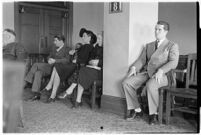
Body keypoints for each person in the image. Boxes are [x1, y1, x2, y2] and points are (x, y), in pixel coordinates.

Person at [122, 21, 179, 125]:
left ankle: (154, 114)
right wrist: (134, 67)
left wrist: (161, 70)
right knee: (126, 82)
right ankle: (137, 110)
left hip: (163, 75)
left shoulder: (172, 45)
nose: (156, 32)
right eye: (155, 29)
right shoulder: (149, 45)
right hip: (147, 73)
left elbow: (173, 62)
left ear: (166, 32)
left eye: (159, 30)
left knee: (151, 85)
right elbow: (141, 60)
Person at [41, 28, 97, 103]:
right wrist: (74, 52)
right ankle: (52, 93)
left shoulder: (89, 47)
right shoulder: (84, 46)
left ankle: (51, 90)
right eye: (82, 36)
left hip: (78, 67)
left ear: (89, 38)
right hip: (74, 65)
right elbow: (77, 53)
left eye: (84, 36)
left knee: (57, 67)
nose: (82, 37)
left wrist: (75, 57)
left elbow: (85, 59)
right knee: (57, 67)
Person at [58, 33, 103, 108]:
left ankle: (70, 91)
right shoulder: (96, 47)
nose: (97, 41)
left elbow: (108, 62)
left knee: (82, 71)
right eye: (97, 38)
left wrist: (98, 62)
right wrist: (91, 61)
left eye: (99, 39)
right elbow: (89, 59)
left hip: (100, 72)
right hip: (91, 69)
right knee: (82, 73)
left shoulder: (107, 48)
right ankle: (77, 101)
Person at [24, 35, 71, 101]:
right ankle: (36, 94)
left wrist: (55, 60)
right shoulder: (54, 48)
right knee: (38, 73)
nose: (54, 42)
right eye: (54, 40)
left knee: (35, 65)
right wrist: (49, 59)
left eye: (56, 40)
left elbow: (67, 60)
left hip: (58, 69)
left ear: (61, 41)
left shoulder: (67, 49)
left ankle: (26, 82)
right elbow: (49, 56)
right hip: (49, 66)